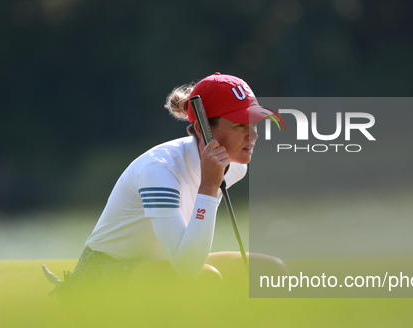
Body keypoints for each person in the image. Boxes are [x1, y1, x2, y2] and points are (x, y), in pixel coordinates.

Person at [42, 72, 287, 296]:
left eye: (253, 124)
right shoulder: (159, 171)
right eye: (239, 126)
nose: (253, 136)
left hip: (165, 262)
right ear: (204, 130)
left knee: (271, 270)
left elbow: (185, 257)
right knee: (205, 279)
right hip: (104, 271)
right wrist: (209, 188)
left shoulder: (236, 168)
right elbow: (188, 269)